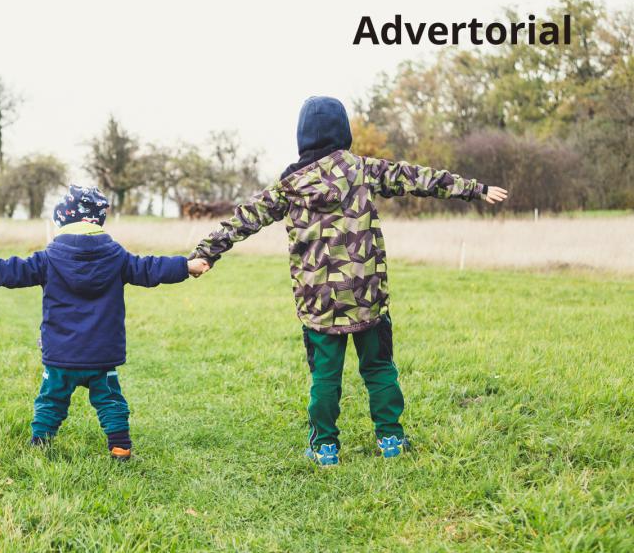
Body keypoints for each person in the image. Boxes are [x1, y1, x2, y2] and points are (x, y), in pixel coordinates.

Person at [189, 96, 508, 466]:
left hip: (319, 303)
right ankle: (390, 438)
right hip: (367, 295)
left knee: (325, 376)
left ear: (302, 137)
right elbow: (416, 178)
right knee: (378, 367)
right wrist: (474, 189)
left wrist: (206, 252)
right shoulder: (361, 169)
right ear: (344, 132)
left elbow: (244, 218)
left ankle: (325, 446)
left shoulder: (289, 185)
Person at [0, 185, 208, 460]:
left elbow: (11, 270)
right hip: (101, 354)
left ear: (62, 220)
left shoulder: (49, 258)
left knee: (51, 400)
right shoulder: (117, 257)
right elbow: (149, 268)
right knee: (110, 401)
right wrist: (185, 266)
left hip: (61, 354)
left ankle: (40, 443)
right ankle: (120, 446)